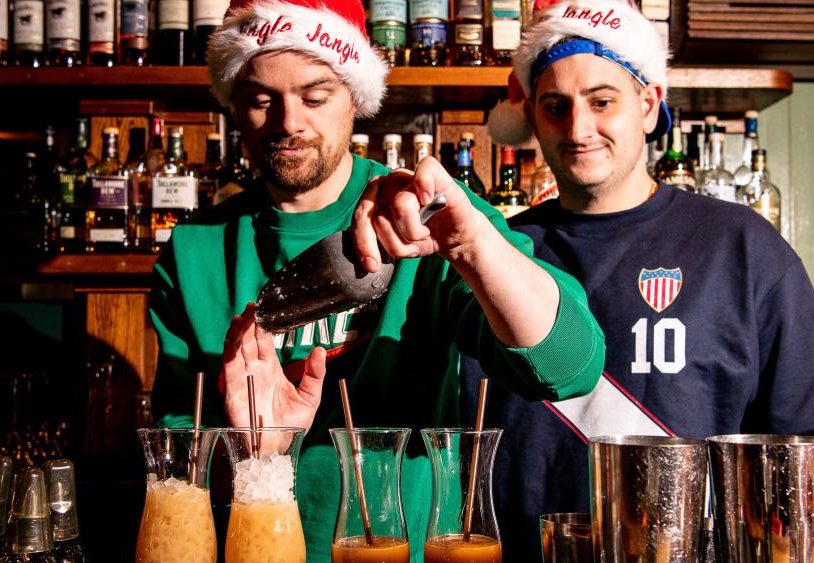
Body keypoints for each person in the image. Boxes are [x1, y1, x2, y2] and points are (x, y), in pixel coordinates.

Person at [147, 0, 605, 560]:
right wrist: (255, 456)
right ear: (233, 107)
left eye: (315, 97)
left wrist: (472, 244)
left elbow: (570, 365)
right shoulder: (192, 250)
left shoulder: (421, 218)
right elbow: (174, 468)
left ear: (354, 99)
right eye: (261, 100)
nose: (289, 122)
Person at [478, 0, 814, 561]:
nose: (578, 128)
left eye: (601, 101)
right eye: (555, 106)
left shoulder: (744, 248)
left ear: (647, 103)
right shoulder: (496, 256)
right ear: (532, 118)